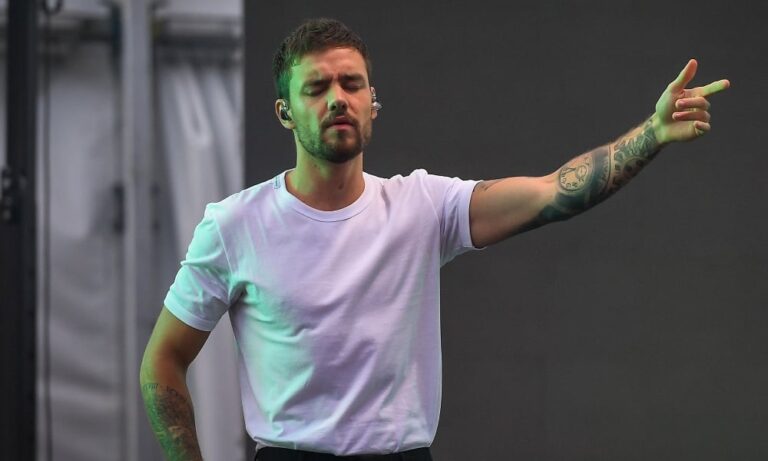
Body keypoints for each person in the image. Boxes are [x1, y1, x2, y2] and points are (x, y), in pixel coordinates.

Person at [139, 17, 730, 461]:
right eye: (316, 87)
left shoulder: (422, 206)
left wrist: (651, 134)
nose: (337, 98)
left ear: (374, 104)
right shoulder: (236, 224)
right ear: (285, 112)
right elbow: (162, 361)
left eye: (352, 83)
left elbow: (555, 192)